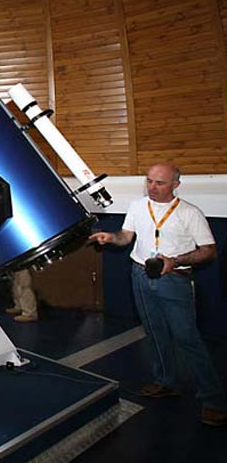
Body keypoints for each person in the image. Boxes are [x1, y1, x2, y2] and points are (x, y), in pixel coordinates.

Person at [89, 163, 226, 427]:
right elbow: (126, 236)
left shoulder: (189, 213)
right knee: (154, 332)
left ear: (176, 185)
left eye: (159, 183)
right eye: (149, 181)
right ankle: (166, 382)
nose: (152, 187)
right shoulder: (137, 206)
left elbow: (209, 251)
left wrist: (175, 261)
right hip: (140, 275)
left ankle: (213, 401)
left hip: (174, 279)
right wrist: (111, 237)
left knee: (187, 339)